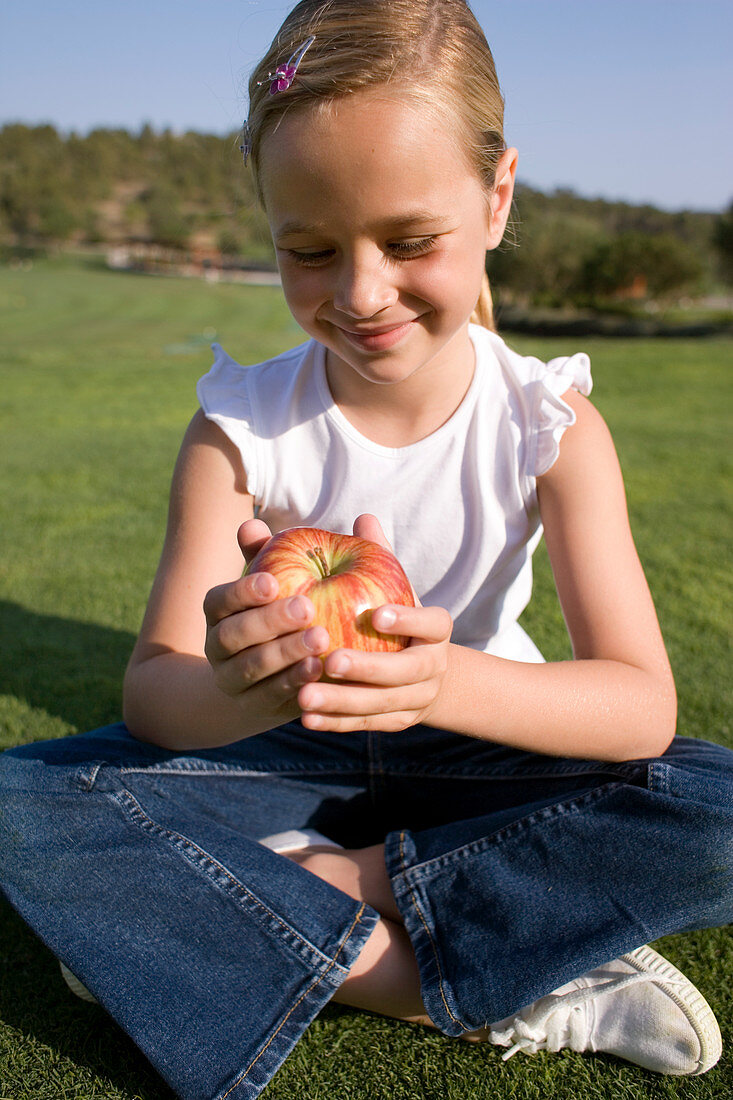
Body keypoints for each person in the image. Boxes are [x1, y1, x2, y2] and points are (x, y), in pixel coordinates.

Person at [0, 2, 731, 1097]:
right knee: (21, 805)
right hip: (281, 756)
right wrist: (253, 681)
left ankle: (269, 900)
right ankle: (486, 972)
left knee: (715, 802)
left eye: (408, 240)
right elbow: (156, 694)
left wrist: (437, 678)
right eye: (309, 249)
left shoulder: (550, 427)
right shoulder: (237, 430)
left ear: (495, 198)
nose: (359, 291)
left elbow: (636, 706)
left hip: (477, 751)